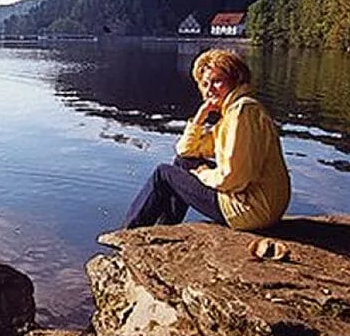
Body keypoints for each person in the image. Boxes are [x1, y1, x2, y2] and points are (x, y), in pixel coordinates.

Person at [123, 48, 290, 231]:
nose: (209, 90)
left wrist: (201, 173)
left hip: (251, 210)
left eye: (217, 81)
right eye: (205, 84)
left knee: (163, 174)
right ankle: (165, 229)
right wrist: (199, 118)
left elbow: (234, 178)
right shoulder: (235, 111)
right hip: (262, 204)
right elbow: (185, 151)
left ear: (236, 79)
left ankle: (126, 234)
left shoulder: (241, 112)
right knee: (182, 162)